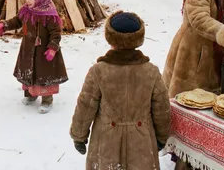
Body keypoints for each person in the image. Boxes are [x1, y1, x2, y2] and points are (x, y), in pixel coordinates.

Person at [70, 11, 171, 170]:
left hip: (106, 143)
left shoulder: (99, 71)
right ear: (138, 38)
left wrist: (79, 135)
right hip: (141, 143)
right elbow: (162, 108)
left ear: (110, 38)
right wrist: (162, 136)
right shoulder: (150, 71)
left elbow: (86, 105)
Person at [0, 0, 68, 113]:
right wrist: (5, 25)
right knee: (29, 71)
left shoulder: (49, 15)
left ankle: (47, 100)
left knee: (44, 75)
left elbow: (55, 33)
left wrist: (52, 48)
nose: (27, 0)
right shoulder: (26, 11)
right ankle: (31, 94)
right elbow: (17, 21)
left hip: (44, 52)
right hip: (28, 49)